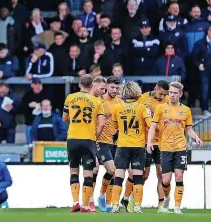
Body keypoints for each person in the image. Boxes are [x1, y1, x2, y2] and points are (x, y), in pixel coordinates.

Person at [147, 82, 204, 214]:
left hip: (180, 147)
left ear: (180, 94)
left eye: (174, 93)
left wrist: (196, 137)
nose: (172, 95)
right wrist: (149, 142)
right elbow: (153, 126)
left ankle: (177, 207)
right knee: (165, 180)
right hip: (165, 148)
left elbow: (188, 129)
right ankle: (166, 198)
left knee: (179, 176)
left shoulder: (186, 110)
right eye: (170, 92)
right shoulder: (161, 109)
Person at [63, 74, 106, 213]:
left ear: (80, 84)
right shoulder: (97, 101)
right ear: (92, 85)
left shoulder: (70, 98)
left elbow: (65, 118)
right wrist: (95, 136)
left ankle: (75, 202)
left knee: (74, 170)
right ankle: (86, 205)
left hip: (73, 138)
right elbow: (102, 124)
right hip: (88, 139)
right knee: (88, 173)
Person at [110, 81, 151, 214]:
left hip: (122, 146)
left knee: (118, 177)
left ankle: (115, 205)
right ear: (136, 91)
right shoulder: (142, 107)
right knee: (138, 177)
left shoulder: (117, 107)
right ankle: (138, 206)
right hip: (138, 146)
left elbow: (115, 128)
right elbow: (150, 125)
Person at [131, 81, 170, 211]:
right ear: (156, 88)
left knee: (162, 175)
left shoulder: (168, 101)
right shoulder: (143, 98)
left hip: (162, 143)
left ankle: (161, 205)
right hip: (145, 142)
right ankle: (133, 201)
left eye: (165, 94)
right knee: (144, 174)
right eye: (161, 93)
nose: (162, 97)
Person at [95, 76, 123, 213]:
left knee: (114, 172)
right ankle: (100, 197)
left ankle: (109, 202)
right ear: (107, 86)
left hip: (115, 142)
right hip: (100, 141)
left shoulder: (120, 103)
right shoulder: (98, 101)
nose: (115, 90)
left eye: (117, 88)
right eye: (112, 87)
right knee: (111, 170)